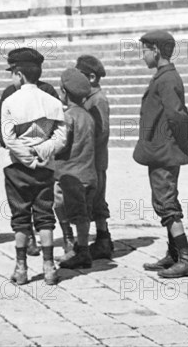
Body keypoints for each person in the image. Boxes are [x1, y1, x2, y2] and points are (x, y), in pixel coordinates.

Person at [134, 30, 188, 278]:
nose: (143, 56)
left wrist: (185, 142)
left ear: (156, 51)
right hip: (160, 150)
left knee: (166, 203)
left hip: (165, 151)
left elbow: (177, 115)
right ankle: (174, 254)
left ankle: (186, 257)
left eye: (145, 51)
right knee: (163, 199)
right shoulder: (163, 77)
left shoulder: (167, 79)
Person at [0, 49, 67, 285]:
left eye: (12, 74)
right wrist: (40, 152)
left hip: (17, 168)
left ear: (18, 74)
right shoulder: (52, 101)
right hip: (45, 166)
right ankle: (49, 268)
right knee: (45, 215)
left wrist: (27, 157)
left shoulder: (9, 101)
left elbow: (8, 139)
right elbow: (61, 138)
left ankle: (21, 269)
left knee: (20, 217)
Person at [54, 68, 97, 269]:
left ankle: (81, 252)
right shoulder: (88, 116)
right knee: (84, 214)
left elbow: (61, 144)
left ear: (64, 91)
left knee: (64, 208)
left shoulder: (67, 117)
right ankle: (81, 248)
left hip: (69, 175)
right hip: (88, 173)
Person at [75, 54, 113, 259]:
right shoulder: (88, 98)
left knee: (96, 200)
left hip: (95, 160)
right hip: (91, 159)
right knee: (95, 200)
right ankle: (102, 238)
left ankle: (102, 240)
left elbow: (102, 132)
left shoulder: (98, 100)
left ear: (90, 77)